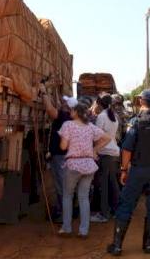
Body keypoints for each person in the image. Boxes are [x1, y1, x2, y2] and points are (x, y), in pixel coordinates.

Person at [107, 89, 150, 256]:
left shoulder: (136, 122)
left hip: (139, 170)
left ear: (141, 102)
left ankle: (117, 246)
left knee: (126, 205)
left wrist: (124, 170)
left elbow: (127, 149)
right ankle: (148, 246)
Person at [58, 103, 111, 238]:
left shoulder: (68, 125)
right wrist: (94, 150)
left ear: (76, 112)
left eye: (72, 110)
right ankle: (84, 231)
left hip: (73, 164)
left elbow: (63, 147)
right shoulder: (90, 127)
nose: (70, 111)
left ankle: (67, 228)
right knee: (83, 197)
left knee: (68, 196)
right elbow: (107, 138)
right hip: (88, 164)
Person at [39, 83, 76, 222]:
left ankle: (63, 215)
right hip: (63, 155)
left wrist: (43, 93)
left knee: (61, 186)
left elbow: (50, 110)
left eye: (64, 101)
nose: (61, 101)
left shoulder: (64, 116)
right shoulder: (69, 116)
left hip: (60, 156)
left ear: (68, 106)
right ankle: (64, 212)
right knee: (62, 185)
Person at [90, 94, 120, 223]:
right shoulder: (114, 116)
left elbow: (97, 136)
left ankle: (104, 214)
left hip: (105, 153)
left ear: (99, 103)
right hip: (113, 152)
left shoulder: (101, 117)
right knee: (112, 183)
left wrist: (94, 150)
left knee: (103, 184)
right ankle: (116, 210)